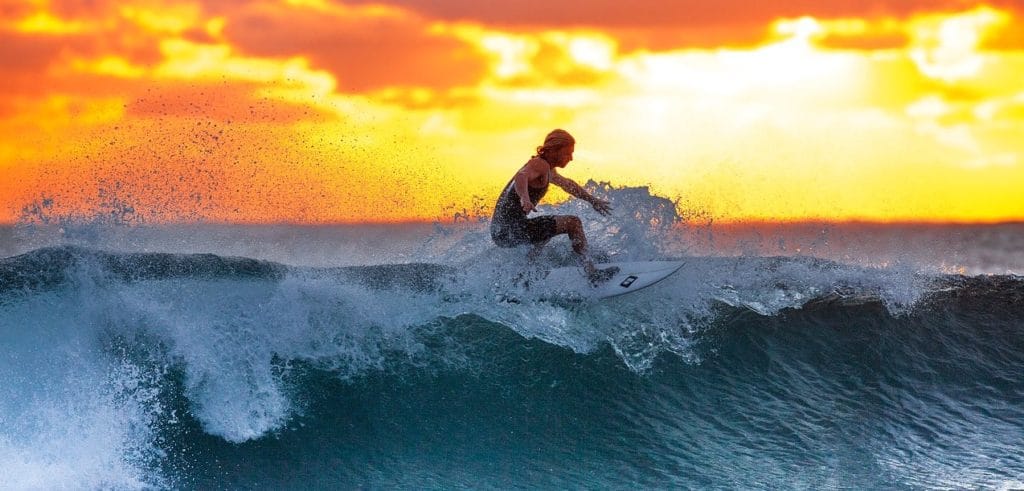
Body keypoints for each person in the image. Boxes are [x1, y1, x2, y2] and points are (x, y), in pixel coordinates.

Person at [490, 129, 619, 284]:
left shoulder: (547, 169)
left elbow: (568, 185)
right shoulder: (539, 164)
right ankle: (591, 273)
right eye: (567, 153)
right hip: (510, 229)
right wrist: (524, 198)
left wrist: (592, 200)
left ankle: (522, 278)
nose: (571, 158)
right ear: (554, 150)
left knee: (545, 232)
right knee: (573, 223)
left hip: (501, 232)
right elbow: (521, 176)